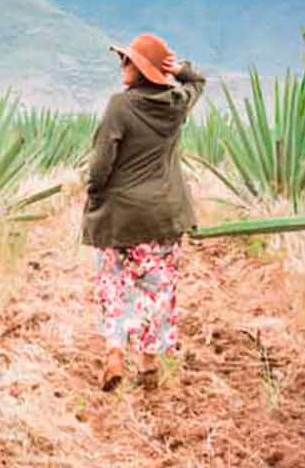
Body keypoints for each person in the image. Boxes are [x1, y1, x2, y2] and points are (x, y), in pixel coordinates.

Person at [82, 33, 206, 392]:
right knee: (158, 289)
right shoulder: (177, 102)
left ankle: (115, 354)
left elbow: (101, 162)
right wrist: (182, 70)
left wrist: (95, 193)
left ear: (144, 70)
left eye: (130, 61)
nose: (123, 65)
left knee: (113, 284)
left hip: (121, 216)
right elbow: (197, 83)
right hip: (164, 218)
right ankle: (149, 364)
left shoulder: (120, 106)